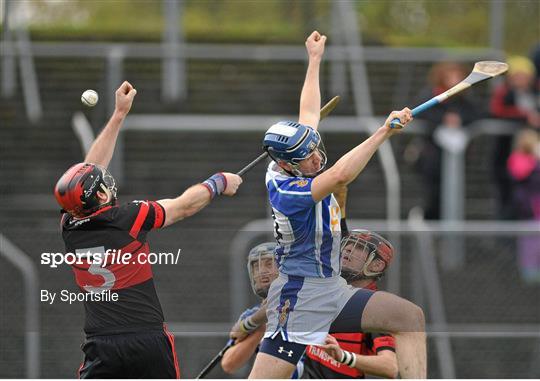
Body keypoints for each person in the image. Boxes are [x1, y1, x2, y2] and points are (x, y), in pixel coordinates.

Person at [246, 31, 426, 379]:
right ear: (287, 164)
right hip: (299, 300)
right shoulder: (290, 191)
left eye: (316, 150)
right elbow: (342, 174)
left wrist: (314, 59)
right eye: (307, 157)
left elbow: (309, 112)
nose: (316, 158)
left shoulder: (296, 155)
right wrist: (384, 132)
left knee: (410, 317)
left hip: (330, 288)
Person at [53, 81, 243, 378]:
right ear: (101, 196)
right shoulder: (130, 217)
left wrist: (118, 114)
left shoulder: (70, 226)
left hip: (100, 343)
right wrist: (218, 182)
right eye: (103, 186)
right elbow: (184, 206)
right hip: (147, 338)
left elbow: (88, 171)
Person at [306, 229, 398, 379]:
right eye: (347, 244)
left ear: (376, 265)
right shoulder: (328, 292)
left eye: (359, 247)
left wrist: (343, 356)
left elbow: (390, 366)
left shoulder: (375, 309)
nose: (348, 249)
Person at [411, 62, 481, 219]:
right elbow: (420, 114)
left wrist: (459, 119)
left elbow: (476, 115)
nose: (455, 79)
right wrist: (443, 119)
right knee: (433, 195)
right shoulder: (430, 95)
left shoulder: (464, 99)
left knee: (453, 194)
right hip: (432, 157)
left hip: (458, 158)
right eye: (451, 75)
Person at [490, 56, 540, 219]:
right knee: (509, 199)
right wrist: (524, 116)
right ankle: (506, 241)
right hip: (507, 155)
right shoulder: (504, 94)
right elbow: (496, 112)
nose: (520, 80)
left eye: (524, 76)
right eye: (516, 76)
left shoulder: (535, 92)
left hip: (532, 157)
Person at [507, 128, 540, 283]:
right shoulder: (519, 159)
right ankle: (529, 273)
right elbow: (521, 173)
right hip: (529, 208)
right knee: (530, 241)